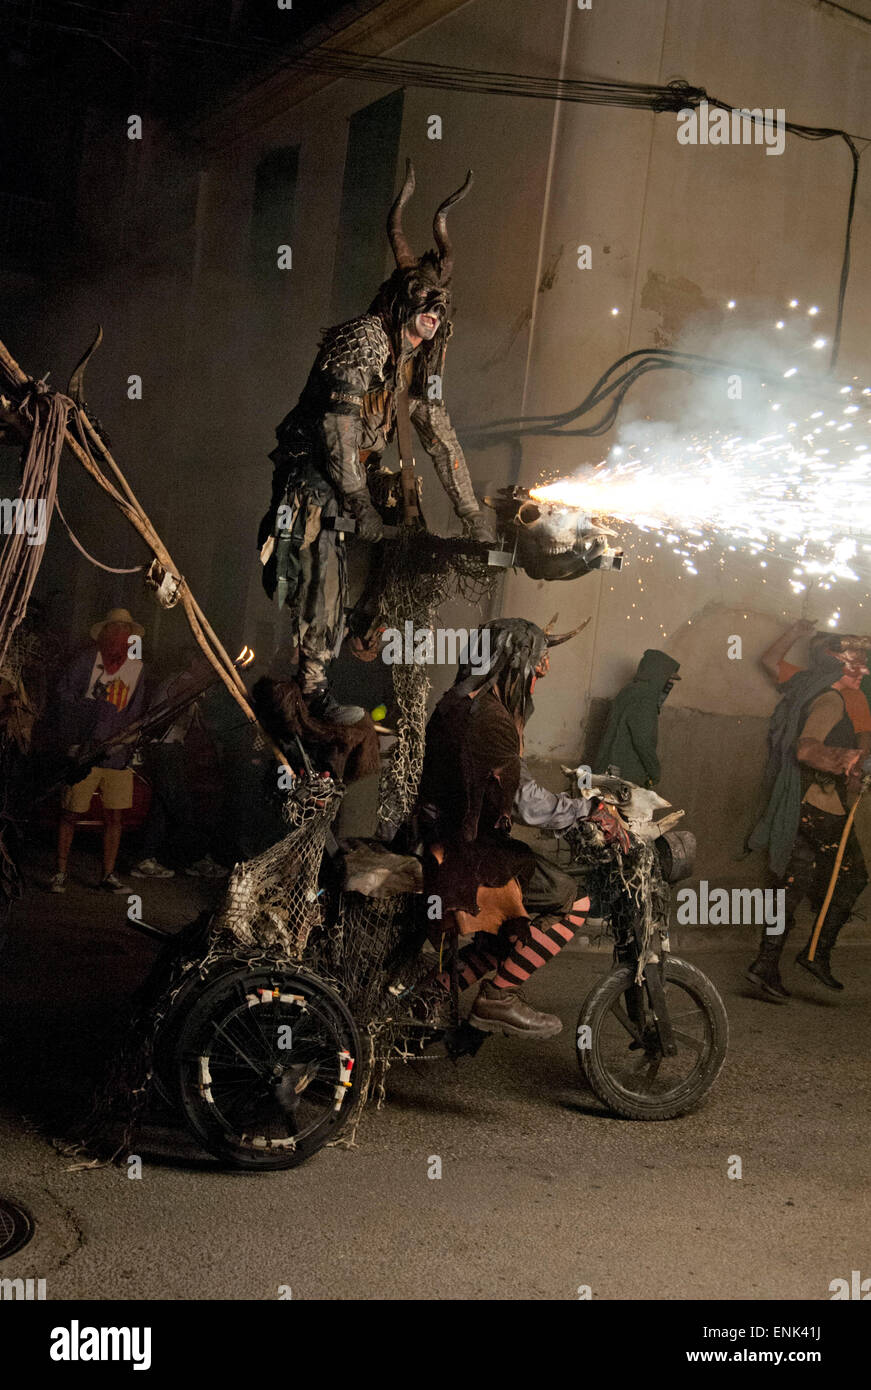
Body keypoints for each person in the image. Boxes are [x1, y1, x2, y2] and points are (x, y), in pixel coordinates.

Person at [257, 159, 495, 723]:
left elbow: (439, 434)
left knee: (393, 551)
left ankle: (360, 643)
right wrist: (357, 500)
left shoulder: (418, 360)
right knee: (324, 570)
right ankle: (312, 684)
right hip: (314, 471)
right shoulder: (364, 339)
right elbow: (336, 426)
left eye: (441, 304)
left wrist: (470, 516)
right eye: (424, 299)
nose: (433, 311)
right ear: (399, 300)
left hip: (359, 474)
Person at [416, 618, 627, 1039]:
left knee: (519, 921)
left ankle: (434, 991)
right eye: (534, 665)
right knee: (572, 900)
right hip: (462, 853)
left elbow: (512, 781)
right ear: (513, 663)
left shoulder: (457, 702)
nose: (538, 676)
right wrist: (585, 809)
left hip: (442, 835)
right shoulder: (487, 718)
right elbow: (525, 802)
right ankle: (498, 998)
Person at [746, 636, 871, 1000]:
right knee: (854, 875)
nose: (862, 669)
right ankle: (816, 953)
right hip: (819, 807)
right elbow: (806, 749)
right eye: (854, 664)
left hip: (800, 805)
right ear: (834, 665)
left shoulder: (817, 691)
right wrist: (848, 760)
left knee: (791, 885)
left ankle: (765, 965)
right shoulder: (831, 701)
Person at [50, 608, 147, 893]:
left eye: (125, 629)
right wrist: (86, 709)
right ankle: (60, 872)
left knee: (114, 815)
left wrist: (126, 740)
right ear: (106, 632)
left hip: (117, 754)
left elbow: (136, 710)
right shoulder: (86, 661)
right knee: (71, 812)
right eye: (115, 628)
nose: (120, 634)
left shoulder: (137, 668)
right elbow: (63, 694)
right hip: (84, 750)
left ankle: (108, 875)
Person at [130, 651, 226, 880]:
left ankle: (146, 858)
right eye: (206, 664)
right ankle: (195, 858)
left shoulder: (190, 683)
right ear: (193, 661)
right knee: (180, 807)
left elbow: (201, 722)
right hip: (164, 748)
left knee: (162, 807)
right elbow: (178, 700)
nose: (208, 669)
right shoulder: (183, 680)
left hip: (170, 748)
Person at [761, 618, 871, 750]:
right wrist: (794, 633)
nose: (864, 672)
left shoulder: (855, 695)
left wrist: (856, 762)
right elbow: (769, 662)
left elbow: (863, 734)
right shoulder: (806, 681)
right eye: (855, 665)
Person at [593, 649, 681, 788]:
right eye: (668, 679)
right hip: (623, 777)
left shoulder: (630, 690)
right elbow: (642, 741)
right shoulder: (645, 698)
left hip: (607, 771)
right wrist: (654, 772)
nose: (669, 684)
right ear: (658, 674)